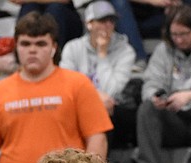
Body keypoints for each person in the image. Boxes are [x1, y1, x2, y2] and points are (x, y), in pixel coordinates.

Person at [0, 12, 113, 163]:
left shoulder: (78, 84)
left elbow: (97, 138)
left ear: (53, 47)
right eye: (25, 43)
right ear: (16, 47)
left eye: (40, 44)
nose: (32, 50)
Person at [133, 4, 191, 163]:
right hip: (172, 115)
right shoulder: (163, 50)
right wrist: (155, 97)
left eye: (184, 34)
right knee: (146, 109)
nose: (179, 40)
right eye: (175, 35)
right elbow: (151, 82)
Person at [59, 1, 137, 154]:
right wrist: (94, 96)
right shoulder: (73, 48)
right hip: (79, 105)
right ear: (89, 24)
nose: (107, 26)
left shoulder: (125, 51)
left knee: (104, 108)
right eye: (102, 21)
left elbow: (111, 91)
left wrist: (102, 55)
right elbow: (65, 86)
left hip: (114, 110)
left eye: (111, 21)